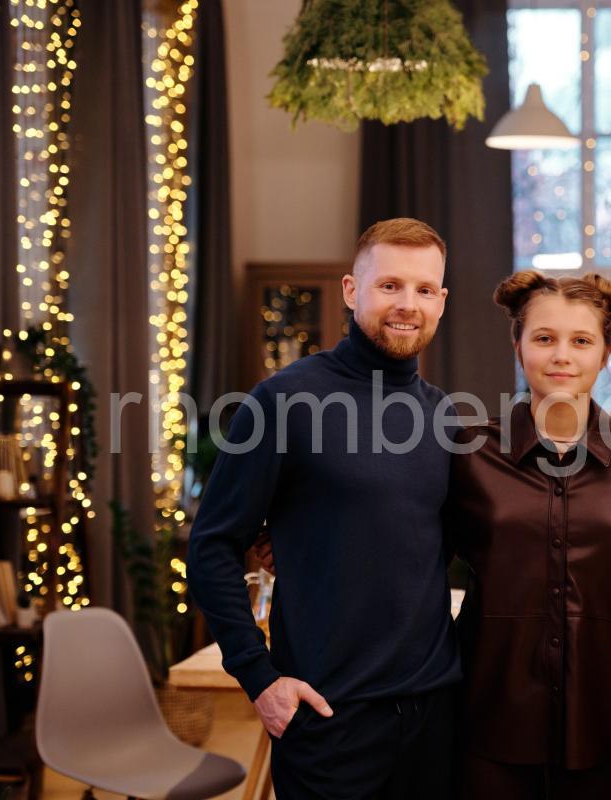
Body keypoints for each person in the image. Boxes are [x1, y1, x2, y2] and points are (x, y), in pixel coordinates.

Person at [187, 218, 461, 799]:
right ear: (351, 290)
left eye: (423, 289)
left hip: (434, 719)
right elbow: (212, 545)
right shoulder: (283, 400)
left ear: (441, 301)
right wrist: (259, 678)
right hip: (328, 719)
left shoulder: (445, 415)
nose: (407, 304)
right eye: (389, 285)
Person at [448, 271, 611, 798]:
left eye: (581, 341)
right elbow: (406, 548)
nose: (562, 355)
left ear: (606, 353)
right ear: (518, 346)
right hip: (488, 721)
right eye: (544, 338)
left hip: (608, 723)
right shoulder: (469, 454)